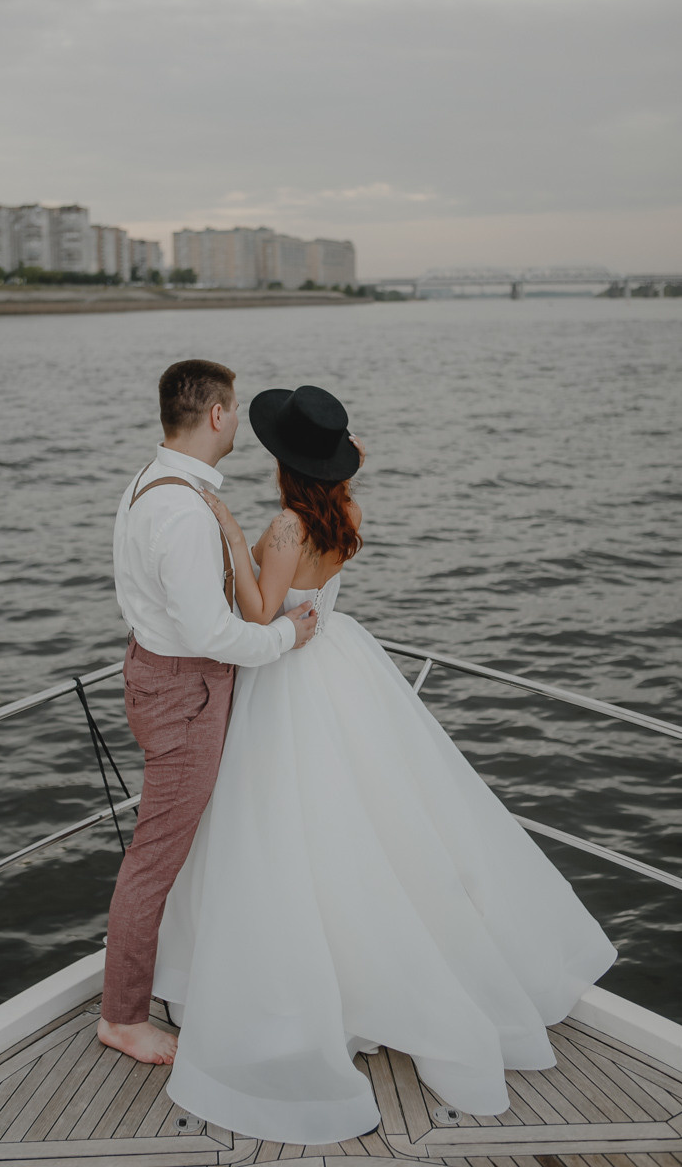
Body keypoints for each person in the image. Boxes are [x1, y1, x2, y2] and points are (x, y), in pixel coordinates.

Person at [152, 384, 617, 1144]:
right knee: (372, 812)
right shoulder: (347, 513)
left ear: (283, 464)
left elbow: (261, 616)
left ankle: (318, 981)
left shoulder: (284, 527)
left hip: (292, 672)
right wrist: (342, 468)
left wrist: (234, 541)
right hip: (343, 659)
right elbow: (339, 494)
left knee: (287, 824)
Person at [98, 361, 318, 1066]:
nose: (239, 421)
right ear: (218, 416)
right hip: (184, 692)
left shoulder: (151, 482)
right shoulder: (185, 511)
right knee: (155, 857)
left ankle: (178, 971)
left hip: (159, 675)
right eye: (237, 409)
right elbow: (211, 634)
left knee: (172, 846)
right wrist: (285, 637)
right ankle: (122, 1017)